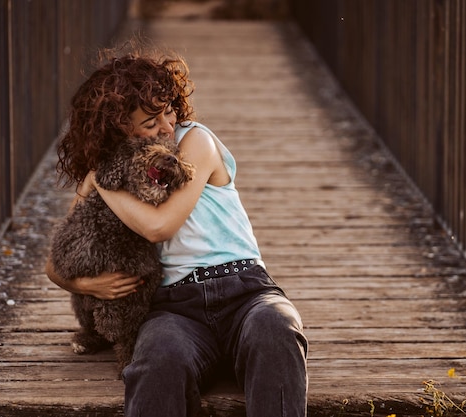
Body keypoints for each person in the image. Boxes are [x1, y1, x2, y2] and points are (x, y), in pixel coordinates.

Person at [45, 43, 308, 417]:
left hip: (246, 292)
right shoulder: (116, 170)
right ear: (120, 129)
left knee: (277, 327)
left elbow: (159, 227)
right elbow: (57, 264)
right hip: (172, 310)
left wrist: (99, 181)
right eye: (150, 123)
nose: (167, 126)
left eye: (168, 111)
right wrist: (86, 286)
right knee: (156, 358)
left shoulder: (194, 142)